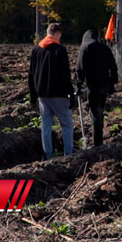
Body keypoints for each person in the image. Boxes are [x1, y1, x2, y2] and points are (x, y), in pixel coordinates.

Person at [28, 23, 75, 159]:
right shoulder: (60, 50)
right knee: (66, 125)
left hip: (42, 95)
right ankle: (69, 155)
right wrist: (71, 94)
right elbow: (65, 74)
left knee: (46, 125)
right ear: (58, 33)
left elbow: (31, 74)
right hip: (59, 94)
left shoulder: (36, 50)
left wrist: (33, 96)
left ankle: (48, 154)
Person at [76, 28, 118, 148]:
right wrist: (112, 83)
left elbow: (80, 67)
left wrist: (79, 84)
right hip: (104, 85)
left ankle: (97, 143)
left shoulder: (85, 48)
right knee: (100, 110)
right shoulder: (105, 48)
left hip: (93, 86)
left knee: (94, 113)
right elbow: (113, 67)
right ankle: (99, 136)